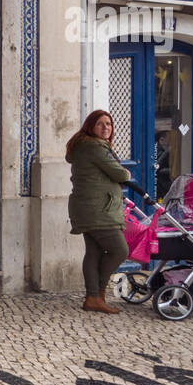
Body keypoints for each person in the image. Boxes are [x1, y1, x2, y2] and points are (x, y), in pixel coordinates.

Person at [66, 109, 130, 314]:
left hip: (90, 208)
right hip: (97, 210)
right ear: (90, 126)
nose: (106, 128)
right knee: (120, 250)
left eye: (109, 124)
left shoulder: (86, 145)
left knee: (93, 253)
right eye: (101, 124)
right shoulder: (93, 147)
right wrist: (126, 173)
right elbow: (120, 174)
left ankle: (94, 297)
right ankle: (96, 294)